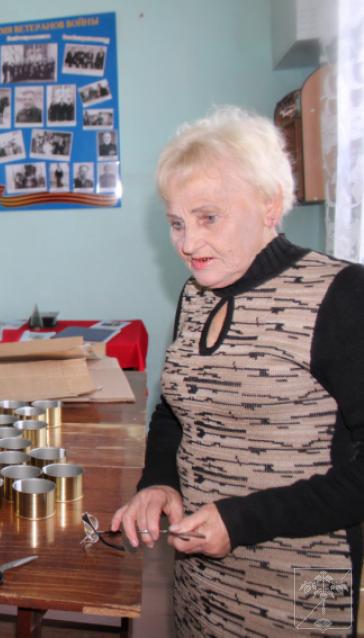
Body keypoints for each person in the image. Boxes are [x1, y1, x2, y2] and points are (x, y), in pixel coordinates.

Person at [111, 106, 364, 636]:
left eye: (208, 218)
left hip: (303, 581)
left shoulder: (341, 295)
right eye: (177, 222)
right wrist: (158, 482)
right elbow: (175, 411)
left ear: (269, 204)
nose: (187, 244)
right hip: (202, 575)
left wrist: (243, 520)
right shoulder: (196, 294)